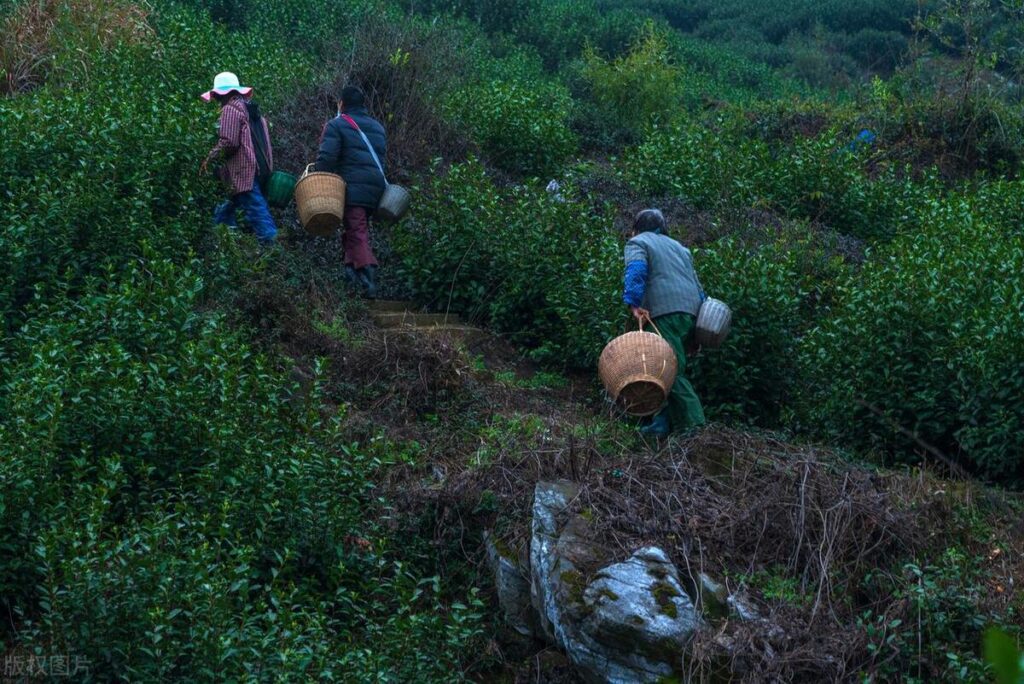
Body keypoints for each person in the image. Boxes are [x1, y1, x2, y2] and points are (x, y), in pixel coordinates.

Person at [622, 209, 707, 436]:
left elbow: (636, 271)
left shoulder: (637, 243)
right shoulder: (681, 248)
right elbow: (698, 288)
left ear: (636, 228)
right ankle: (661, 423)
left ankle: (696, 427)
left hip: (663, 314)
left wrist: (633, 304)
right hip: (691, 314)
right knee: (663, 367)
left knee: (668, 371)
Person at [314, 85, 387, 298]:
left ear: (342, 104)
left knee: (356, 230)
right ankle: (351, 274)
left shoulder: (337, 125)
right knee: (354, 227)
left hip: (353, 186)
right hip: (376, 187)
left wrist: (318, 175)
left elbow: (327, 158)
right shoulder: (378, 127)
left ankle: (368, 276)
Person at [200, 72, 278, 246]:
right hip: (259, 169)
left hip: (243, 173)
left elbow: (229, 142)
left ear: (220, 94)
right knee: (225, 210)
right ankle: (224, 248)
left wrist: (209, 158)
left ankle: (275, 252)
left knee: (258, 214)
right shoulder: (252, 111)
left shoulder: (230, 109)